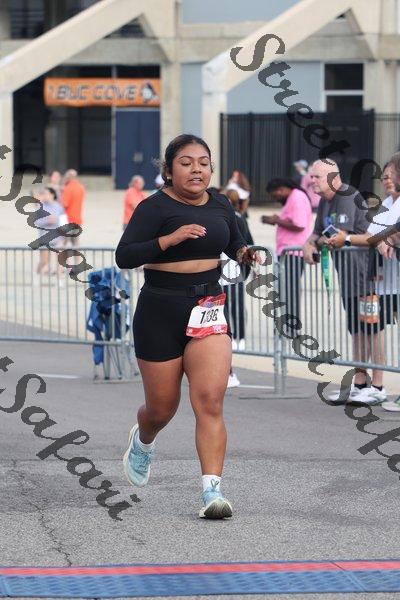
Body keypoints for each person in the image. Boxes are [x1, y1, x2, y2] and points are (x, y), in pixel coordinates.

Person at [115, 134, 258, 519]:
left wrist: (246, 253)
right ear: (168, 170)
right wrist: (169, 239)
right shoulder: (153, 207)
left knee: (210, 400)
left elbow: (235, 244)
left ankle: (212, 491)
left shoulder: (221, 204)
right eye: (186, 162)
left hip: (208, 307)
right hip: (159, 310)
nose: (197, 169)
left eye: (203, 163)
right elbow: (124, 256)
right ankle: (144, 439)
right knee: (162, 409)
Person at [327, 159, 400, 407]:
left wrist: (377, 238)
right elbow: (372, 236)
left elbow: (383, 235)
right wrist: (379, 239)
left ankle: (377, 386)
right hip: (383, 281)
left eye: (390, 176)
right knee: (365, 330)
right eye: (383, 177)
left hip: (388, 280)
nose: (385, 181)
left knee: (374, 331)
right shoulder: (387, 204)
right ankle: (364, 385)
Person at [303, 159, 370, 404]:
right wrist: (308, 243)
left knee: (369, 329)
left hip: (365, 273)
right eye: (311, 177)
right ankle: (360, 383)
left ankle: (372, 385)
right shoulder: (325, 200)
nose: (312, 181)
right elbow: (317, 231)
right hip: (347, 275)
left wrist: (317, 241)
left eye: (317, 177)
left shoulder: (347, 195)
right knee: (356, 329)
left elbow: (337, 235)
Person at [262, 178, 312, 332]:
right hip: (287, 253)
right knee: (285, 291)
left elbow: (299, 225)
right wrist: (277, 220)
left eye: (275, 195)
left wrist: (277, 220)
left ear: (281, 189)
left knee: (290, 291)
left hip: (293, 253)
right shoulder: (293, 197)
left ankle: (291, 327)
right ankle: (287, 324)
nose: (275, 198)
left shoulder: (297, 197)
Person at [220, 189, 251, 387]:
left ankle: (240, 337)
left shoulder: (238, 219)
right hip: (219, 270)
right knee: (222, 310)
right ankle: (230, 339)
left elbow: (246, 241)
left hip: (232, 269)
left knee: (236, 306)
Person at [35, 187, 65, 275]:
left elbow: (63, 221)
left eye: (46, 194)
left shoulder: (59, 206)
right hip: (45, 238)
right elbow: (37, 222)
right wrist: (47, 221)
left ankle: (60, 277)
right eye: (43, 194)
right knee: (44, 261)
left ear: (52, 195)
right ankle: (38, 271)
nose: (44, 195)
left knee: (61, 259)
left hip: (57, 238)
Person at [61, 169, 85, 244]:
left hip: (68, 220)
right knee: (75, 243)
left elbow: (64, 205)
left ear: (69, 177)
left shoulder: (68, 188)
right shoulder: (81, 187)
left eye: (65, 176)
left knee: (62, 243)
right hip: (78, 220)